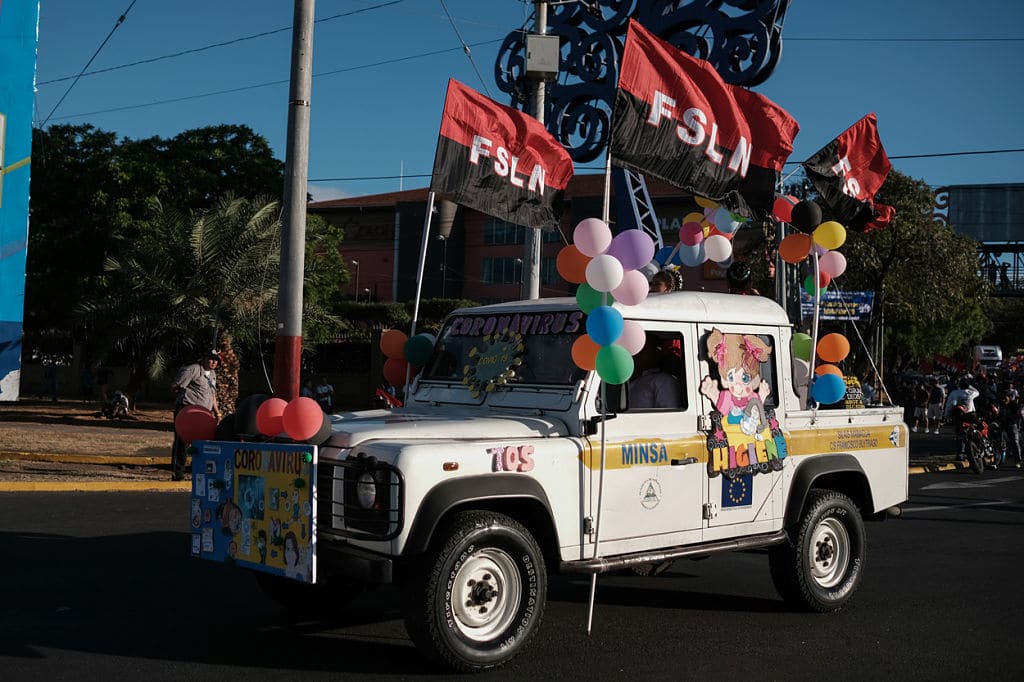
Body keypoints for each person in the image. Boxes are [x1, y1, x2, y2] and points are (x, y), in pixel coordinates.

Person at [169, 349, 221, 481]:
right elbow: (176, 386)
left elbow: (212, 394)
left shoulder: (213, 374)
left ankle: (196, 469)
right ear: (203, 358)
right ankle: (178, 472)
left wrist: (217, 411)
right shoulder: (193, 370)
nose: (214, 362)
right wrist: (184, 400)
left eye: (216, 360)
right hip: (188, 410)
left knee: (202, 442)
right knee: (182, 441)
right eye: (211, 358)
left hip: (204, 413)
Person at [627, 338, 682, 409]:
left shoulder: (664, 381)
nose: (638, 352)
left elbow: (670, 416)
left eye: (644, 348)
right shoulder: (627, 378)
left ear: (656, 353)